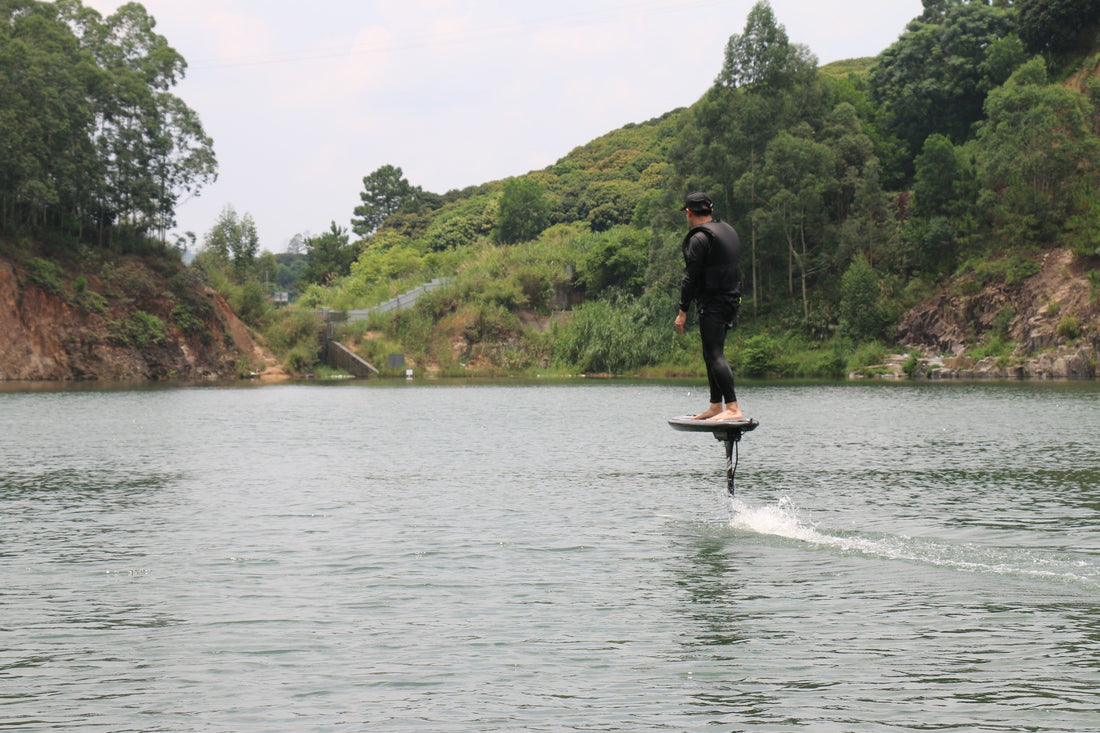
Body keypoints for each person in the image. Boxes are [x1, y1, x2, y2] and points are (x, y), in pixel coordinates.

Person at [674, 191, 744, 421]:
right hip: (730, 300)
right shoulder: (727, 230)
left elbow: (690, 278)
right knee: (710, 353)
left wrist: (682, 311)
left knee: (714, 354)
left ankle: (732, 408)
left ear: (689, 212)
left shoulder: (699, 238)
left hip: (714, 303)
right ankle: (716, 406)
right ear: (711, 211)